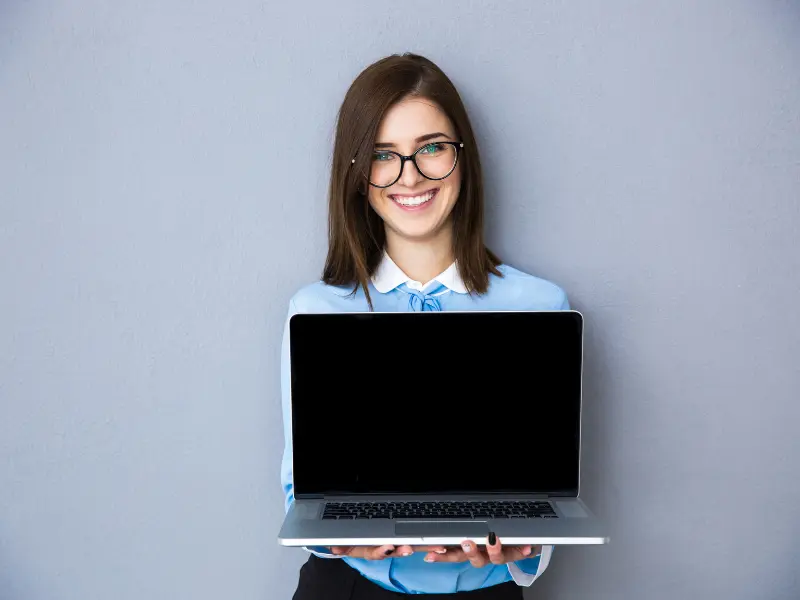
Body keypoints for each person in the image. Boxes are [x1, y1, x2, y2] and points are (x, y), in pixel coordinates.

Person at [281, 53, 570, 599]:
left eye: (432, 148)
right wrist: (340, 540)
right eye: (383, 156)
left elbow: (551, 492)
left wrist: (525, 546)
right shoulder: (316, 311)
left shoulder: (539, 304)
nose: (409, 176)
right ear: (358, 173)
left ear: (463, 157)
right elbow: (301, 494)